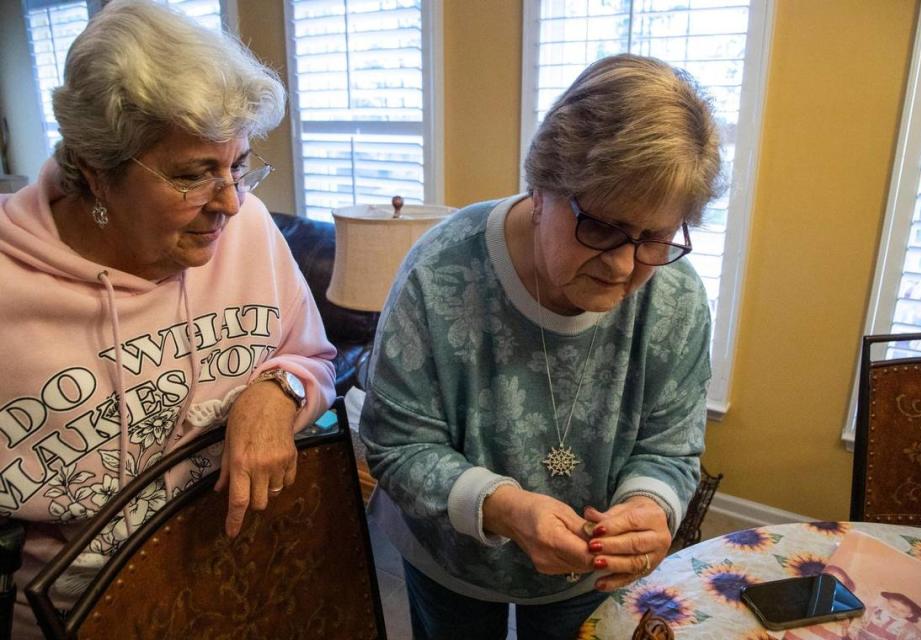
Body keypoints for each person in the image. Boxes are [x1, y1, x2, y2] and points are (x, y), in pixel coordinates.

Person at [0, 2, 337, 637]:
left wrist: (277, 389)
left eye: (236, 165)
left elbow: (312, 360)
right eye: (193, 175)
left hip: (239, 588)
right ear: (99, 175)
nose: (232, 203)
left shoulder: (253, 231)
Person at [360, 54, 721, 639]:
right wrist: (504, 505)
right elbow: (396, 443)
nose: (625, 266)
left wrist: (649, 507)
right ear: (541, 187)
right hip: (448, 556)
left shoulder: (676, 299)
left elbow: (669, 446)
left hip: (587, 574)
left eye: (654, 237)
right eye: (600, 227)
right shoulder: (440, 271)